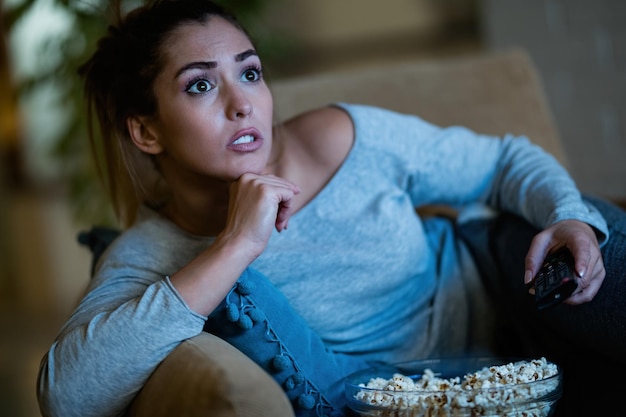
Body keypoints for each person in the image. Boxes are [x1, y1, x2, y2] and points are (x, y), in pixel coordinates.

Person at [36, 0, 626, 416]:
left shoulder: (337, 137)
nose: (243, 104)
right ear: (146, 132)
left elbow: (503, 161)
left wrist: (569, 216)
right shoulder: (156, 250)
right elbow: (68, 396)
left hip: (512, 282)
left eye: (250, 72)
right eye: (200, 85)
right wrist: (236, 245)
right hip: (429, 392)